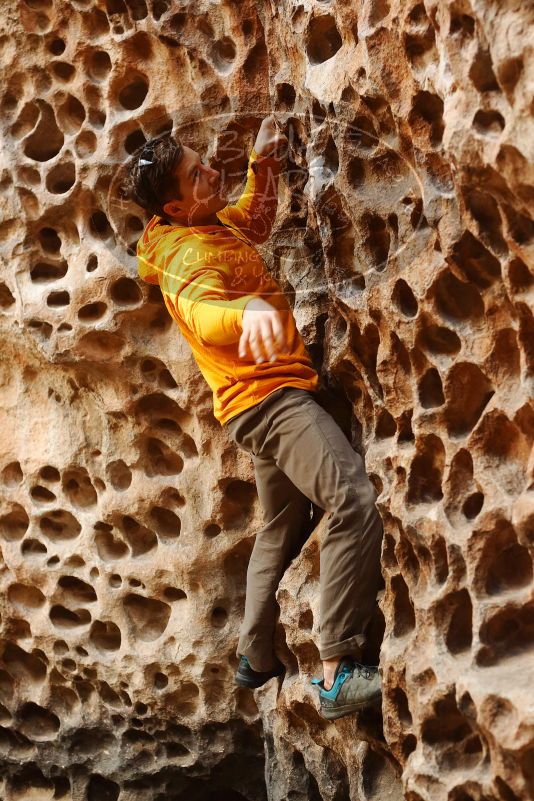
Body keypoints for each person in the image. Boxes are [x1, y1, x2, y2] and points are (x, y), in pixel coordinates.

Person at [122, 114, 384, 720]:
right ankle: (336, 672)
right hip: (272, 403)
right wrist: (246, 313)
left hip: (249, 406)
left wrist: (262, 166)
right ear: (176, 207)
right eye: (197, 175)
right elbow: (206, 311)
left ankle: (254, 657)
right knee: (352, 499)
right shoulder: (187, 258)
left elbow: (255, 221)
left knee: (284, 524)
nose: (211, 169)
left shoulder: (203, 226)